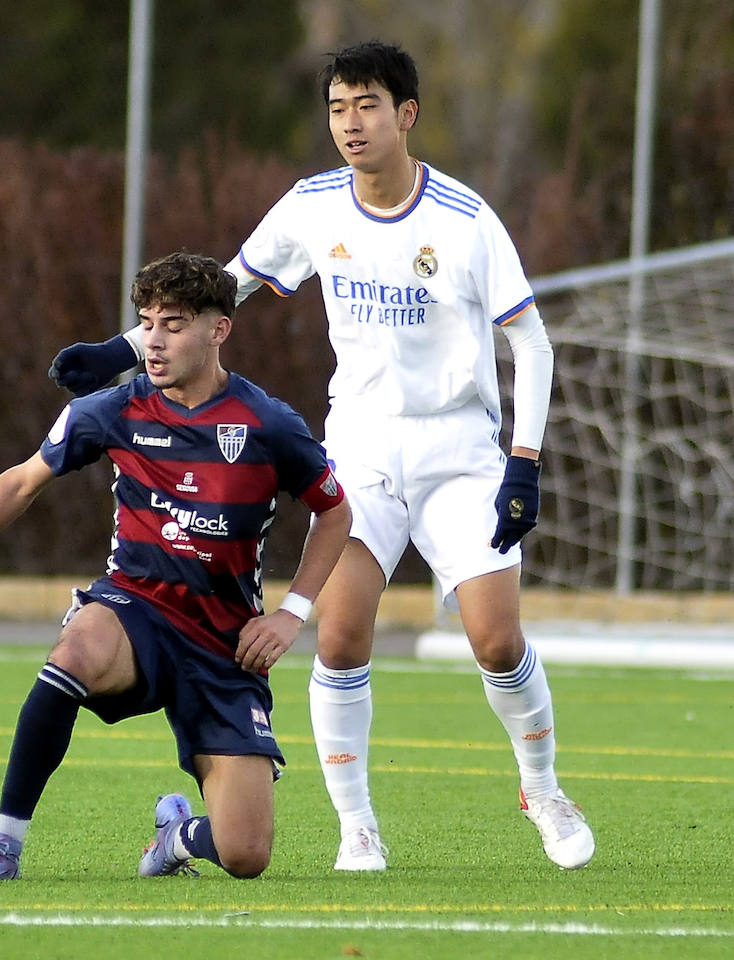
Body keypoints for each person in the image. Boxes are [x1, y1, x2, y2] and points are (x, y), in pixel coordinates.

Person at [47, 42, 594, 872]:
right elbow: (221, 288)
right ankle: (357, 827)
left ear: (407, 114)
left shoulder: (465, 219)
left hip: (458, 449)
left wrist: (524, 464)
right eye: (338, 108)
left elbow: (533, 341)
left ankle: (543, 789)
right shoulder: (312, 205)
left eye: (368, 105)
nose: (351, 123)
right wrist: (119, 352)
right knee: (339, 638)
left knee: (495, 641)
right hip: (364, 444)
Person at [0, 252, 352, 882]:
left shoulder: (269, 424)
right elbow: (20, 483)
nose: (154, 341)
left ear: (219, 329)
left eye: (174, 325)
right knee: (75, 651)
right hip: (137, 608)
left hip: (225, 643)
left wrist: (291, 614)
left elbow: (335, 513)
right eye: (147, 323)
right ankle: (3, 848)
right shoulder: (112, 409)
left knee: (246, 855)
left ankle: (177, 837)